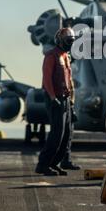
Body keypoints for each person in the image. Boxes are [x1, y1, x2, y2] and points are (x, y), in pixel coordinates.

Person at [36, 27, 80, 176]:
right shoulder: (51, 56)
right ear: (60, 40)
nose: (70, 44)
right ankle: (43, 164)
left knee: (66, 134)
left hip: (66, 99)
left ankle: (53, 163)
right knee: (57, 134)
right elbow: (46, 79)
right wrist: (53, 98)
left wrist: (71, 103)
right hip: (55, 99)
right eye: (68, 41)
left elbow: (70, 80)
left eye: (72, 41)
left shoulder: (66, 56)